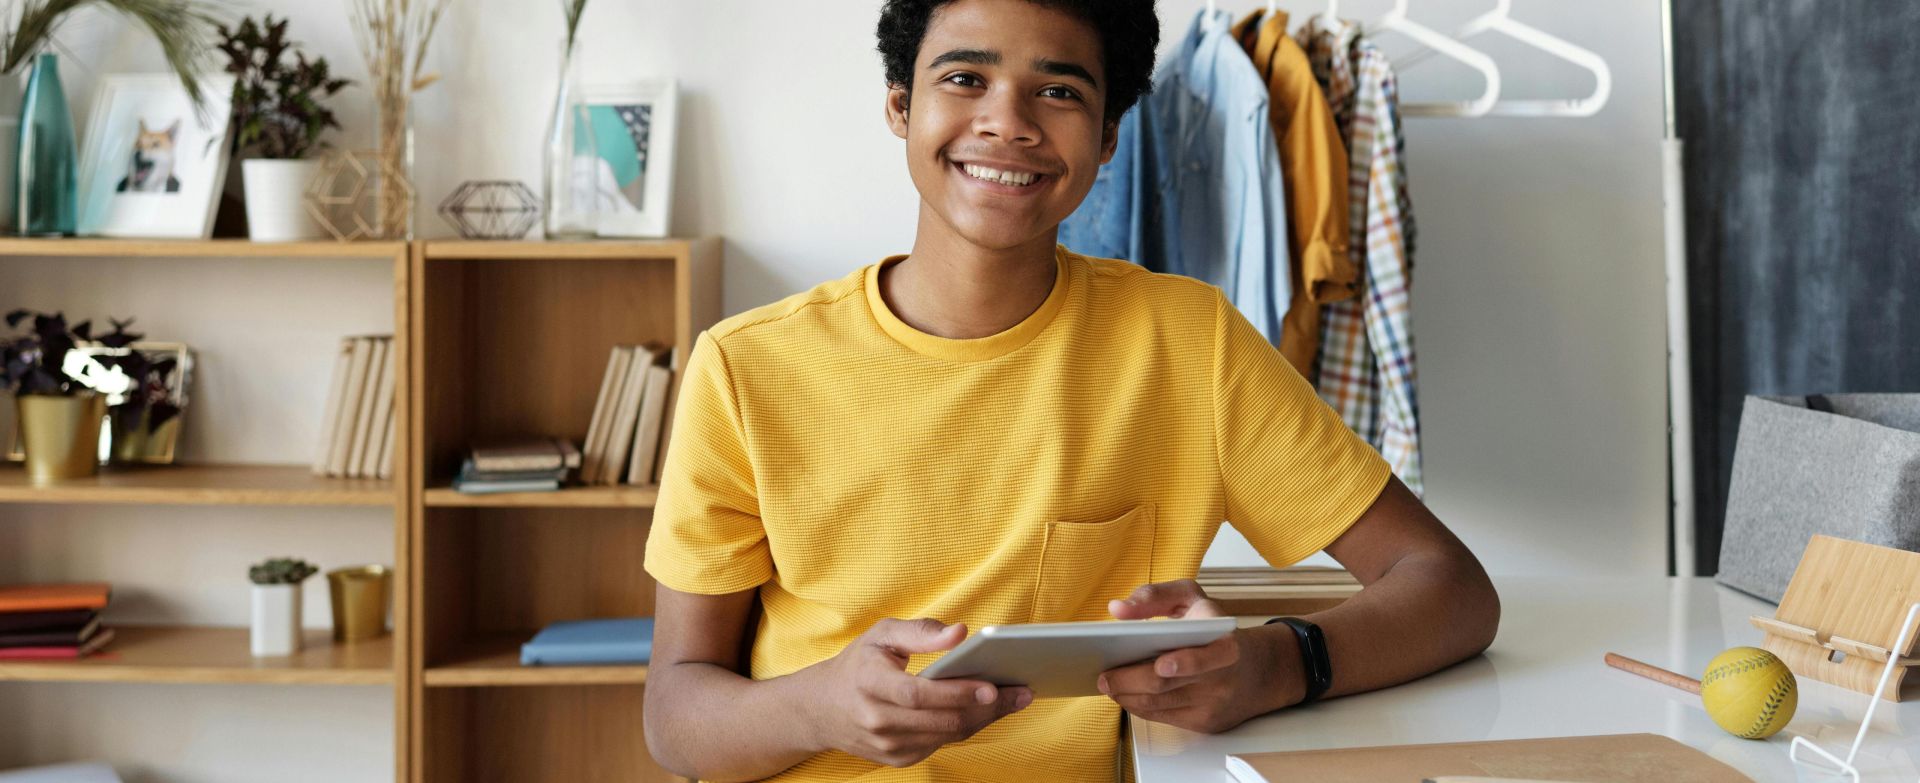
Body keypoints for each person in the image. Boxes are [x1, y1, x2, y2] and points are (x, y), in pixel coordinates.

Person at [641, 1, 1499, 780]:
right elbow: (674, 718)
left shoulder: (1187, 343)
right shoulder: (745, 368)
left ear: (1111, 134)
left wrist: (1269, 666)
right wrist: (816, 705)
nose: (1007, 122)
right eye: (966, 78)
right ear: (900, 104)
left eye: (1057, 91)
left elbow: (1452, 588)